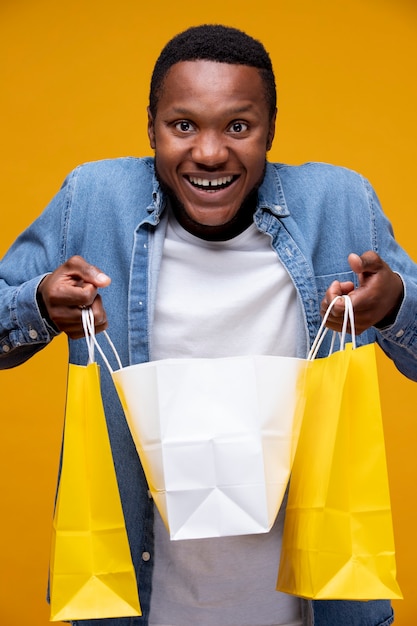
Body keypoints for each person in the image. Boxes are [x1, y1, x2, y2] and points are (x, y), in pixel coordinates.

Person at [1, 23, 416, 626]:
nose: (210, 152)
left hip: (312, 608)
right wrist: (38, 302)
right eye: (184, 124)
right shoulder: (93, 201)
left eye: (238, 126)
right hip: (139, 607)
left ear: (271, 127)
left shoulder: (340, 204)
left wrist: (398, 302)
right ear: (151, 127)